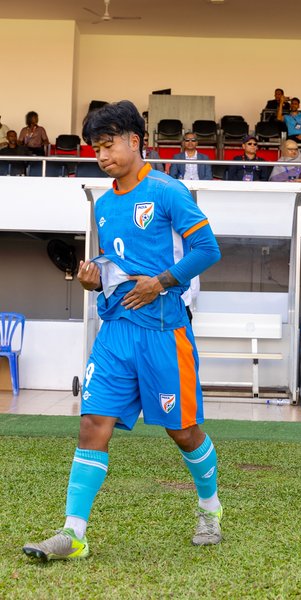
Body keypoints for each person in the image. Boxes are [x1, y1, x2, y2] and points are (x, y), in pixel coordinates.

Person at [22, 100, 223, 561]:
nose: (101, 153)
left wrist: (162, 282)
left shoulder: (170, 192)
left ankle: (210, 510)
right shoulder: (106, 204)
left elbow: (208, 249)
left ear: (136, 140)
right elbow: (114, 268)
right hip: (115, 331)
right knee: (92, 423)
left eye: (109, 144)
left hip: (164, 333)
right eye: (96, 146)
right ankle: (73, 534)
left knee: (184, 432)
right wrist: (93, 283)